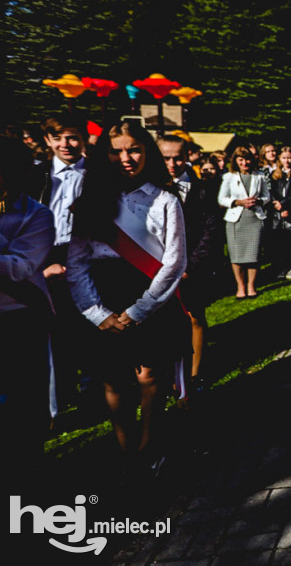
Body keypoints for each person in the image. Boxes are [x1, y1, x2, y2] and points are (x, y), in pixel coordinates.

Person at [67, 121, 189, 475]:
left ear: (146, 150)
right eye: (116, 150)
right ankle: (126, 450)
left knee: (150, 377)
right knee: (113, 379)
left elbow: (174, 260)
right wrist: (96, 313)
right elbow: (76, 264)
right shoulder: (90, 203)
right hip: (103, 296)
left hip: (148, 297)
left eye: (133, 149)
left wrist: (139, 310)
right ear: (104, 155)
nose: (126, 158)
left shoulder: (165, 199)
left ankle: (150, 445)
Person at [0, 136, 55, 488]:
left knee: (22, 409)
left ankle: (26, 484)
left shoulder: (37, 215)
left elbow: (20, 268)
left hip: (20, 318)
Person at [32, 114, 91, 416]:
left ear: (83, 139)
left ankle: (93, 387)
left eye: (72, 137)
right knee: (53, 330)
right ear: (48, 140)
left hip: (86, 254)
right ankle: (61, 394)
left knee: (89, 324)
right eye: (59, 138)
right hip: (44, 255)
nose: (66, 144)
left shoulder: (98, 174)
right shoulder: (35, 176)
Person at [158, 136, 221, 393]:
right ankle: (166, 374)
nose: (172, 164)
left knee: (195, 317)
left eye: (178, 158)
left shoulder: (203, 189)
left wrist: (190, 266)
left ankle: (194, 374)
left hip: (192, 266)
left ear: (188, 156)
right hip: (157, 267)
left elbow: (210, 231)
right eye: (166, 158)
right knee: (163, 323)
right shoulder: (149, 188)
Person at [218, 147, 270, 298]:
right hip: (236, 219)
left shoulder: (259, 176)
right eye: (240, 159)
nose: (244, 162)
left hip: (254, 218)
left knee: (253, 254)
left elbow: (267, 196)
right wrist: (238, 202)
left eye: (247, 159)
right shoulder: (229, 177)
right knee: (236, 255)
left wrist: (258, 201)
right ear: (235, 161)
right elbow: (222, 199)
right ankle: (240, 286)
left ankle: (251, 286)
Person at [268, 146, 291, 278]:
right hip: (277, 213)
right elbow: (271, 192)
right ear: (279, 159)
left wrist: (285, 205)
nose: (287, 160)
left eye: (289, 157)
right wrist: (278, 206)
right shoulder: (274, 174)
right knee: (278, 241)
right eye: (284, 158)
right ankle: (280, 267)